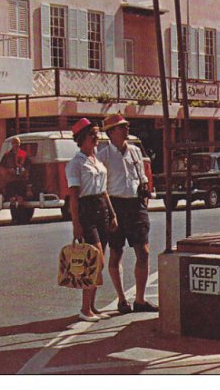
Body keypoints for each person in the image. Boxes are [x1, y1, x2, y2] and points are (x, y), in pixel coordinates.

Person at [97, 113, 159, 314]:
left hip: (136, 205)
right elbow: (101, 188)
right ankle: (122, 299)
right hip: (115, 206)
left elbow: (142, 177)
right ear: (111, 132)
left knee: (144, 251)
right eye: (121, 127)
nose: (126, 129)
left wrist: (145, 197)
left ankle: (140, 299)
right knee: (116, 253)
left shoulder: (134, 152)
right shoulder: (103, 156)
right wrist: (109, 212)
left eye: (126, 126)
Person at [65, 118, 118, 322]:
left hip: (101, 209)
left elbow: (104, 191)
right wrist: (76, 224)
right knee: (95, 261)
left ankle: (92, 306)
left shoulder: (97, 161)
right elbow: (74, 197)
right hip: (86, 211)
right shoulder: (75, 164)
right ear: (81, 138)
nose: (96, 137)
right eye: (91, 134)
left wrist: (112, 214)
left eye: (96, 133)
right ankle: (85, 309)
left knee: (98, 261)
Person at [0, 136, 32, 209]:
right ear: (12, 144)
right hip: (10, 180)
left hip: (21, 180)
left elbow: (28, 165)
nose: (16, 145)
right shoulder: (7, 155)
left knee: (21, 199)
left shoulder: (23, 154)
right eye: (14, 143)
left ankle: (20, 216)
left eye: (18, 143)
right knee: (12, 199)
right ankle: (14, 217)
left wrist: (25, 171)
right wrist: (9, 170)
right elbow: (2, 167)